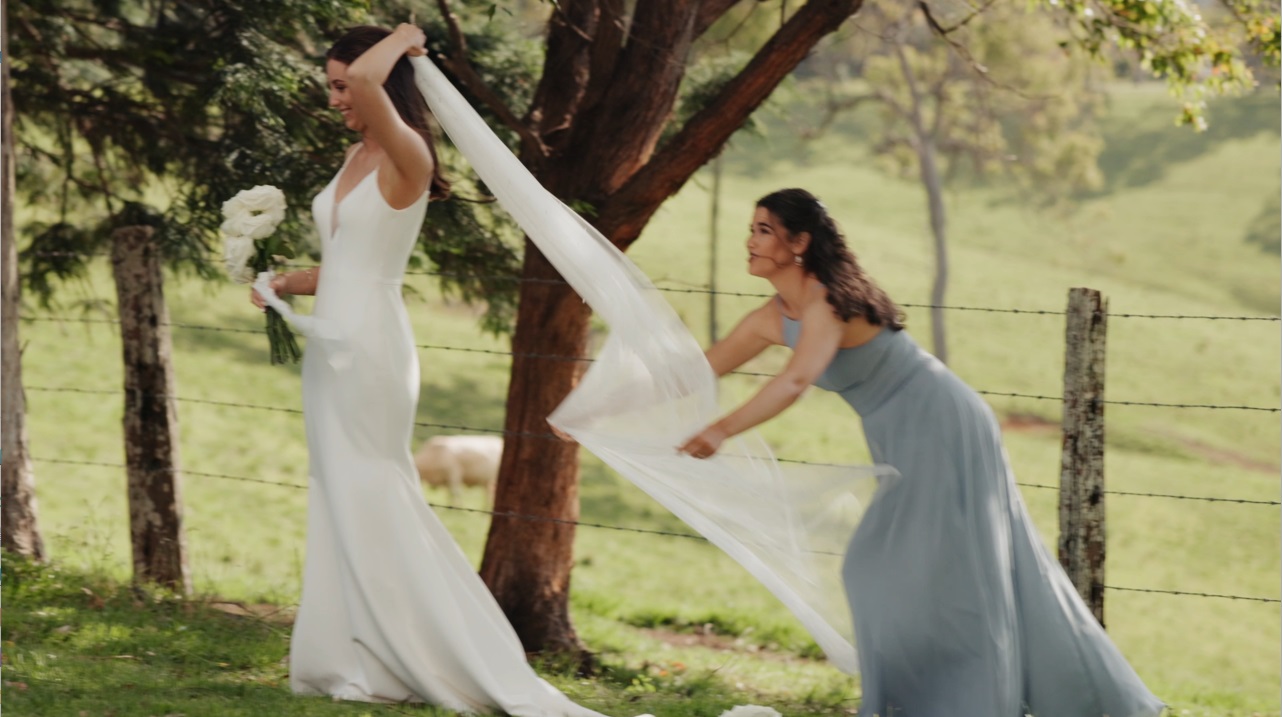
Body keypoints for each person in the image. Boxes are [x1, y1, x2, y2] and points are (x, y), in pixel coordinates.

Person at [678, 188, 1165, 717]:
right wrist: (613, 400)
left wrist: (722, 430)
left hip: (941, 420)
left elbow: (796, 380)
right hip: (901, 433)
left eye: (763, 230)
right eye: (752, 229)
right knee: (919, 570)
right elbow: (699, 369)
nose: (749, 241)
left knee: (882, 567)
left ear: (799, 243)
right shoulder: (770, 317)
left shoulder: (826, 301)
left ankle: (961, 702)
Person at [250, 25, 605, 716]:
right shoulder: (355, 154)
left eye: (342, 85)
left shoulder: (408, 154)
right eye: (331, 86)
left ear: (379, 82)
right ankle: (353, 653)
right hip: (332, 343)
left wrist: (405, 35)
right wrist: (285, 281)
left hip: (372, 348)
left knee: (373, 488)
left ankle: (434, 650)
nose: (336, 99)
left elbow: (372, 81)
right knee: (338, 489)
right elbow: (349, 261)